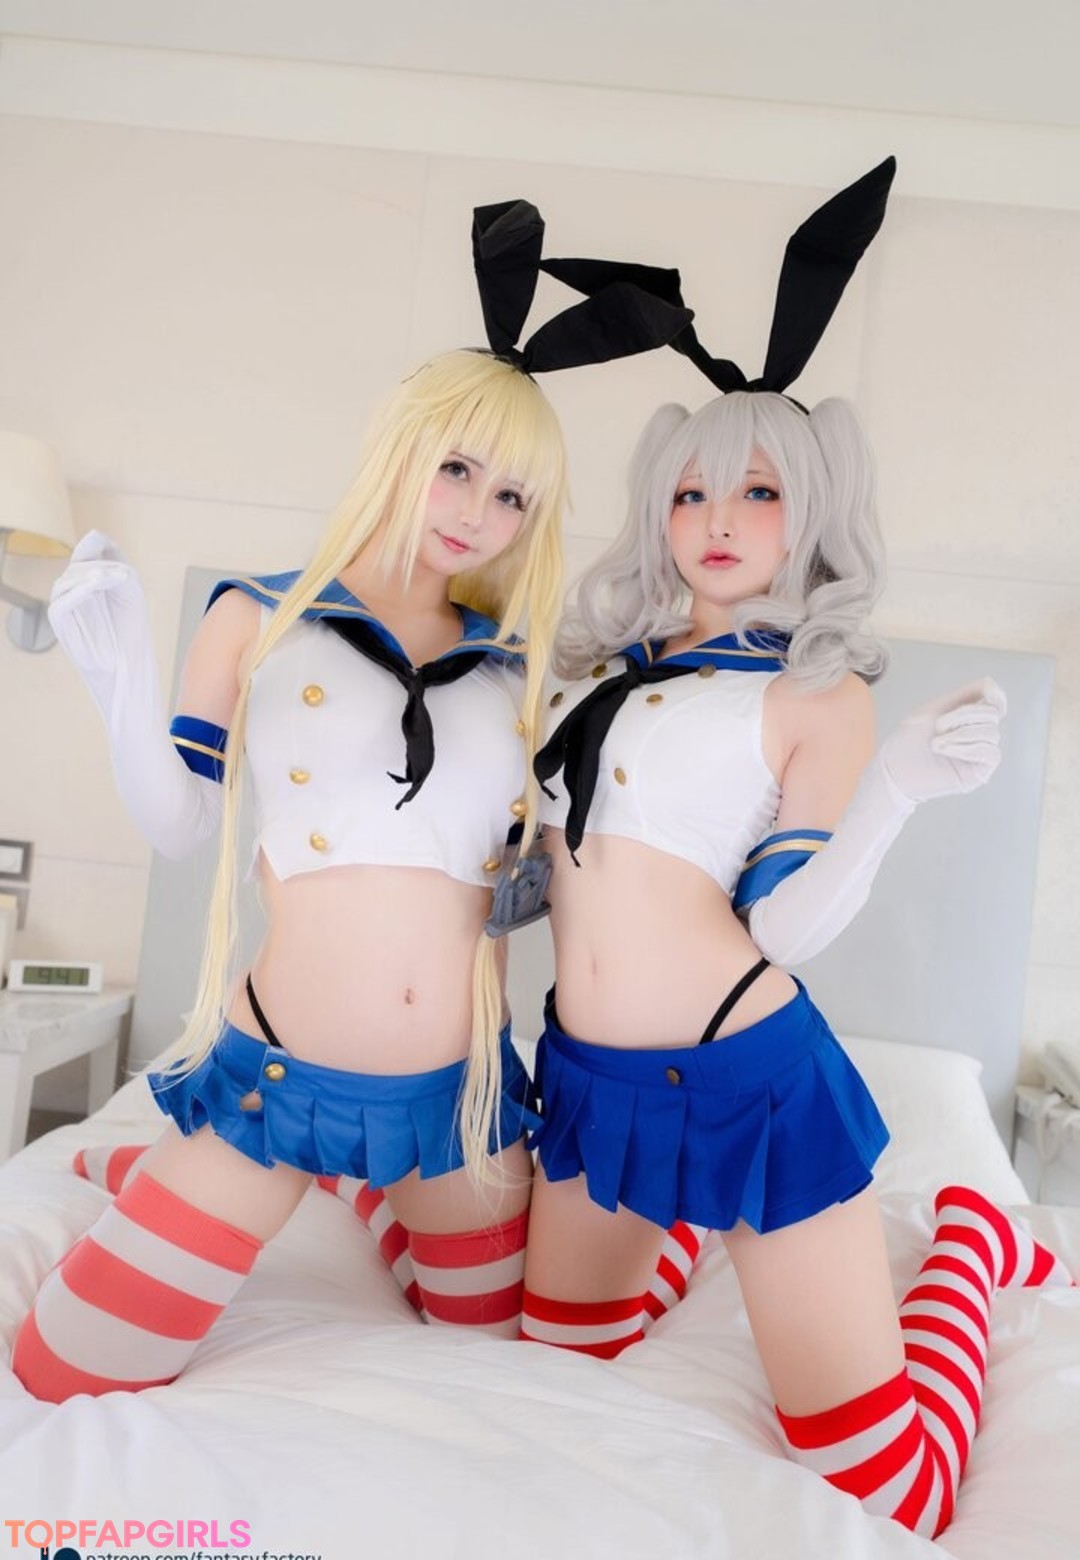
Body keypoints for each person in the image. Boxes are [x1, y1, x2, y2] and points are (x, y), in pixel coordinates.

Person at [12, 200, 694, 1402]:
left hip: (461, 1109)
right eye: (458, 468)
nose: (476, 512)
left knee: (516, 1346)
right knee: (63, 1369)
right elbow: (183, 824)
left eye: (513, 497)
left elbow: (564, 872)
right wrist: (116, 681)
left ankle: (384, 1195)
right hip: (276, 1086)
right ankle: (324, 1180)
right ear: (401, 449)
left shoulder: (520, 668)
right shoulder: (259, 615)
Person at [518, 160, 1073, 1539]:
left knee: (888, 1485)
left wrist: (893, 793)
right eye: (692, 494)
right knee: (566, 1358)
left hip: (749, 1081)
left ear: (811, 512)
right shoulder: (608, 670)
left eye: (758, 494)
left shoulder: (815, 690)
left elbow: (779, 931)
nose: (717, 524)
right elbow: (547, 872)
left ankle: (971, 1244)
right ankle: (691, 1229)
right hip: (590, 1078)